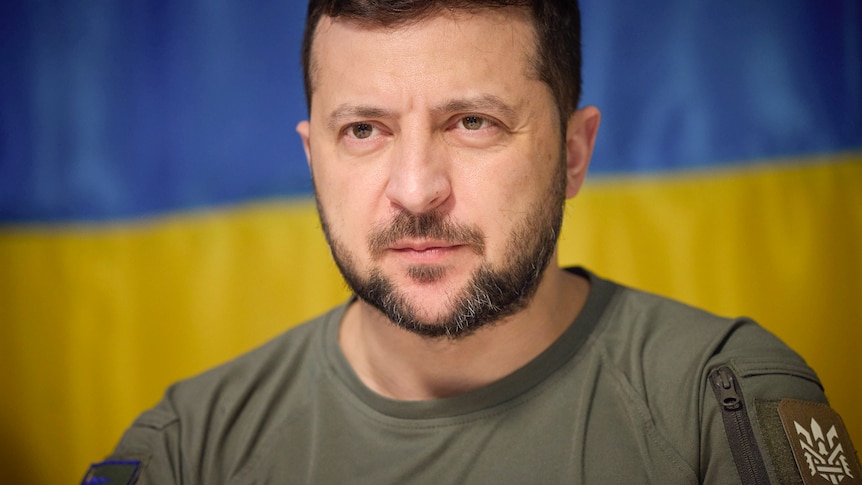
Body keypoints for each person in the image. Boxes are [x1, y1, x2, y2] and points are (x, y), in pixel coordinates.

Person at [83, 1, 860, 483]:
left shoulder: (719, 402)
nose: (416, 189)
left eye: (473, 123)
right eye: (363, 130)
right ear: (312, 157)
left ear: (573, 154)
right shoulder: (189, 450)